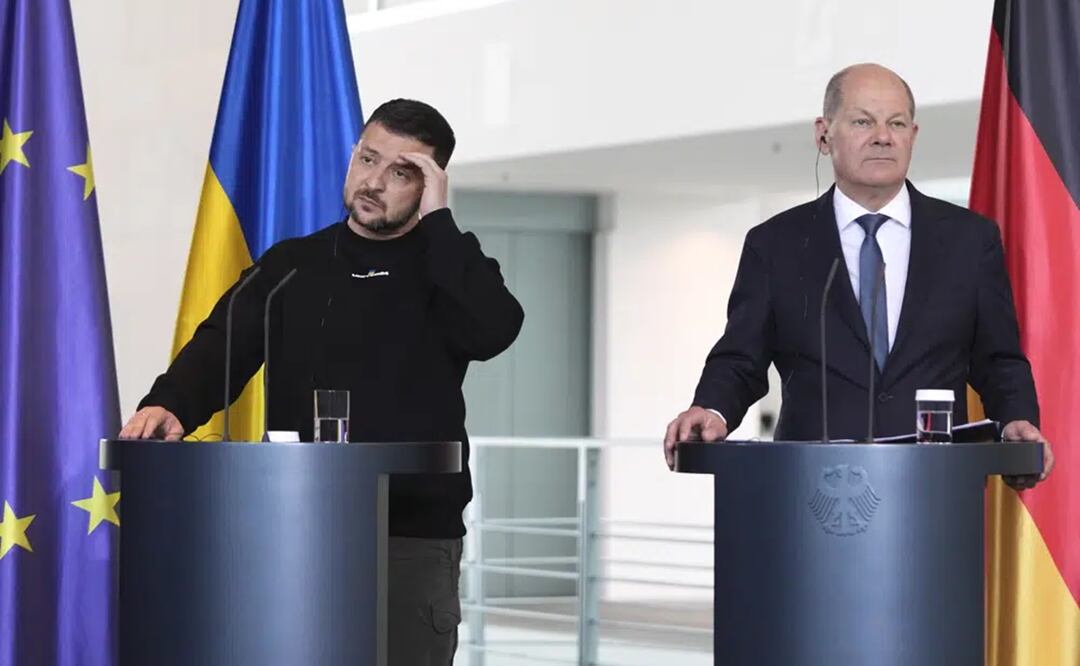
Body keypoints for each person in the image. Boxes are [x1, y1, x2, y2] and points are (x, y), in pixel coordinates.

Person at [119, 98, 524, 664]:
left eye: (401, 172)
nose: (374, 182)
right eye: (367, 159)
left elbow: (493, 330)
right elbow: (219, 347)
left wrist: (440, 223)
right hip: (293, 524)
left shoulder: (451, 266)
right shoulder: (292, 265)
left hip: (407, 538)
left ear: (430, 187)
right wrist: (170, 404)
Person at [663, 63, 1054, 487]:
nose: (883, 136)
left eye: (897, 123)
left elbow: (998, 360)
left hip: (935, 494)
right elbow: (741, 358)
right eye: (863, 121)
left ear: (913, 136)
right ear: (823, 133)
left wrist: (1017, 419)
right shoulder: (774, 245)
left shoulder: (970, 240)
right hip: (811, 494)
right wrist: (711, 408)